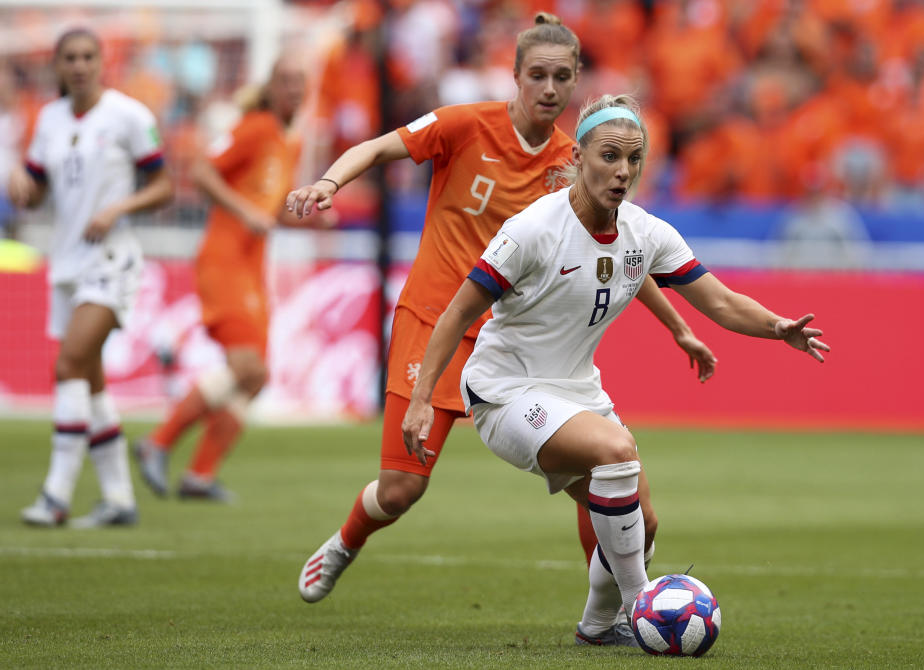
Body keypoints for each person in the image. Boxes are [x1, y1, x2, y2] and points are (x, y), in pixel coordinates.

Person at [286, 13, 716, 615]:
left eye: (561, 77)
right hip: (438, 319)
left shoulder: (580, 160)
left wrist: (678, 327)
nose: (548, 88)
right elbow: (382, 146)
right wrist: (330, 182)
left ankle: (614, 617)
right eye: (536, 75)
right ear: (514, 77)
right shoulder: (466, 126)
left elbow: (620, 253)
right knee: (404, 486)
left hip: (515, 344)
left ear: (574, 83)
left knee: (606, 486)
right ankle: (344, 543)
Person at [401, 94, 830, 645]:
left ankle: (597, 627)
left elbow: (720, 303)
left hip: (577, 393)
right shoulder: (532, 229)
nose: (622, 171)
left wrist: (778, 328)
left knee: (642, 523)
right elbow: (457, 312)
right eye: (609, 156)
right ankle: (643, 609)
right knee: (617, 452)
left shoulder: (646, 234)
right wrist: (419, 400)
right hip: (504, 392)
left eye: (633, 159)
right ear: (578, 156)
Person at [9, 27, 173, 527]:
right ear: (57, 66)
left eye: (87, 57)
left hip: (112, 258)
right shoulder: (50, 120)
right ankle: (119, 498)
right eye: (69, 58)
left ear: (102, 62)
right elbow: (37, 192)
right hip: (67, 263)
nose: (79, 65)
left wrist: (119, 207)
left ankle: (56, 495)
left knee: (68, 365)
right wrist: (21, 184)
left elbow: (164, 185)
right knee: (92, 382)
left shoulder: (128, 115)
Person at [134, 56, 312, 501]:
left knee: (256, 377)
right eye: (285, 80)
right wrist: (244, 212)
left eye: (299, 81)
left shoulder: (292, 141)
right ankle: (158, 441)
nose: (293, 88)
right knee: (245, 367)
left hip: (252, 268)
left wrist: (307, 219)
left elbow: (267, 210)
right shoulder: (254, 126)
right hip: (224, 261)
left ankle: (199, 475)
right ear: (269, 88)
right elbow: (200, 171)